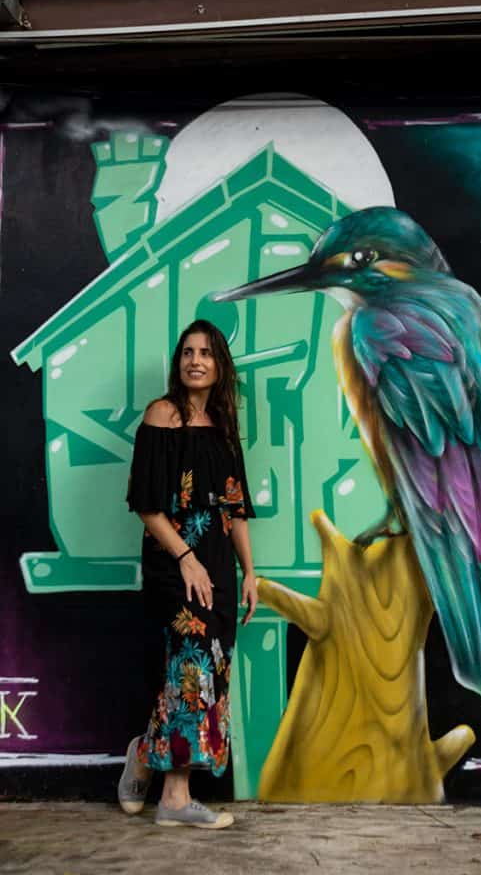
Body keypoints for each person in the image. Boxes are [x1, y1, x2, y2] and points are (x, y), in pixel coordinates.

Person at [117, 319, 258, 829]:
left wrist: (250, 572)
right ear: (179, 363)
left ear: (219, 364)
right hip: (175, 561)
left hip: (218, 563)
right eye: (187, 353)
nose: (195, 360)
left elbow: (235, 507)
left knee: (210, 670)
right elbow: (147, 506)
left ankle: (144, 753)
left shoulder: (222, 425)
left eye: (206, 353)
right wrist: (185, 558)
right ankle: (175, 797)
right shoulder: (162, 414)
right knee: (190, 668)